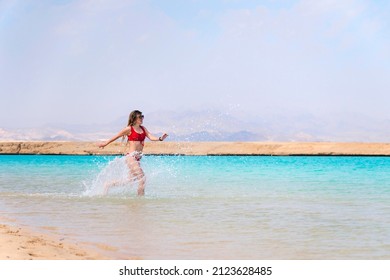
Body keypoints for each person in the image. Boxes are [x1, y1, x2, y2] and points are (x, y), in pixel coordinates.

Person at [98, 110, 168, 195]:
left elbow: (150, 136)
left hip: (138, 158)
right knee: (142, 178)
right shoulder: (129, 129)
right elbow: (116, 136)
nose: (142, 118)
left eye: (142, 116)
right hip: (131, 157)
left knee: (129, 181)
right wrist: (105, 144)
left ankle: (109, 184)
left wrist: (160, 138)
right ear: (134, 118)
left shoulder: (143, 128)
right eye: (140, 117)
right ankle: (140, 202)